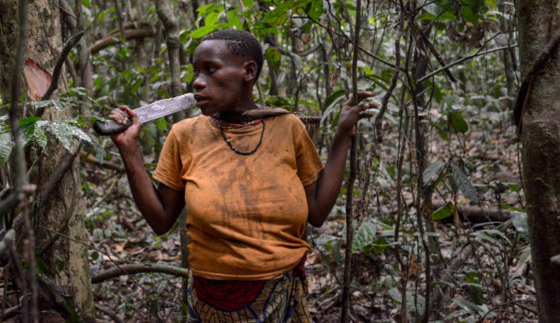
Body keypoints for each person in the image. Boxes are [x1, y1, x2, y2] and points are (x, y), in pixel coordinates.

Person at [108, 29, 376, 322]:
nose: (198, 82)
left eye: (211, 70)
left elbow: (317, 212)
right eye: (196, 72)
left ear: (249, 71)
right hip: (212, 300)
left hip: (282, 297)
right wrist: (129, 149)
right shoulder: (184, 135)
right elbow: (160, 221)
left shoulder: (288, 127)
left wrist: (341, 136)